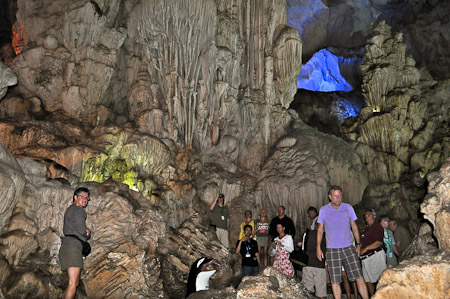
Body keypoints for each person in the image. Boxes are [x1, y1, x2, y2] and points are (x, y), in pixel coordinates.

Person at [316, 185, 369, 299]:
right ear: (330, 197)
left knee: (359, 276)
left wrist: (358, 244)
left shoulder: (348, 207)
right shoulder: (324, 210)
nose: (338, 198)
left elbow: (354, 227)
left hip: (348, 248)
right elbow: (320, 230)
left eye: (339, 196)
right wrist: (318, 247)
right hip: (332, 250)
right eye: (335, 196)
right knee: (335, 281)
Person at [59, 187, 92, 299]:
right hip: (72, 247)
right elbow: (82, 231)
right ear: (75, 197)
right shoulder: (79, 210)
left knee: (75, 283)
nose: (85, 199)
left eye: (87, 198)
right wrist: (88, 232)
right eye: (82, 197)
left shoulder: (71, 209)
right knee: (73, 284)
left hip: (69, 247)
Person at [360, 209, 386, 296]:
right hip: (365, 258)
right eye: (365, 216)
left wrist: (366, 248)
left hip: (375, 255)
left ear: (374, 216)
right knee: (367, 280)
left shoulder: (377, 227)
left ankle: (382, 296)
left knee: (380, 278)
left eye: (369, 215)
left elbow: (379, 242)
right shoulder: (366, 229)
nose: (366, 217)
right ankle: (372, 296)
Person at [301, 222, 327, 299]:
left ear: (315, 225)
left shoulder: (307, 234)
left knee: (307, 289)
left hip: (308, 263)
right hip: (320, 264)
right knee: (321, 291)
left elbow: (303, 247)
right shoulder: (326, 235)